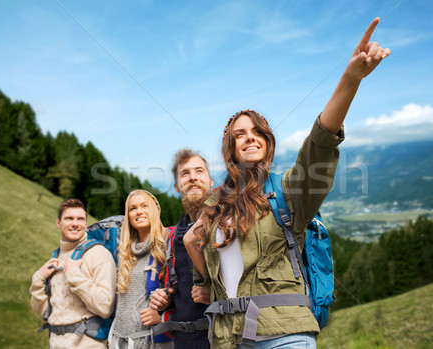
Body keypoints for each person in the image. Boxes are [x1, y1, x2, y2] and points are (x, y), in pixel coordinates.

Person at [184, 18, 390, 348]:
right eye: (240, 134)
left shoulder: (288, 191)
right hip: (227, 338)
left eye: (257, 132)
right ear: (230, 149)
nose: (249, 138)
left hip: (283, 335)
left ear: (267, 141)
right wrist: (200, 264)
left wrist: (351, 79)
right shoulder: (214, 205)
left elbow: (318, 146)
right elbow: (199, 261)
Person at [30, 198, 117, 349]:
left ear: (85, 223)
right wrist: (38, 280)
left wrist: (73, 275)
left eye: (80, 219)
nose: (75, 223)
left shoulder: (99, 254)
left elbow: (105, 307)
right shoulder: (55, 259)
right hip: (56, 343)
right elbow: (44, 313)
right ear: (58, 223)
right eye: (69, 218)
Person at [149, 149, 214, 349]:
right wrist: (164, 300)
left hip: (221, 340)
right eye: (185, 173)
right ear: (177, 187)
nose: (193, 177)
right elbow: (178, 289)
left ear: (210, 182)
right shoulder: (172, 238)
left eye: (199, 171)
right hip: (182, 341)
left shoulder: (226, 227)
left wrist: (215, 294)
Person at [108, 190, 173, 349]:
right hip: (119, 341)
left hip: (151, 342)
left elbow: (184, 295)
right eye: (133, 208)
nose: (139, 212)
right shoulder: (125, 252)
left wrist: (163, 317)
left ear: (156, 210)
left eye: (145, 206)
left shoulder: (168, 245)